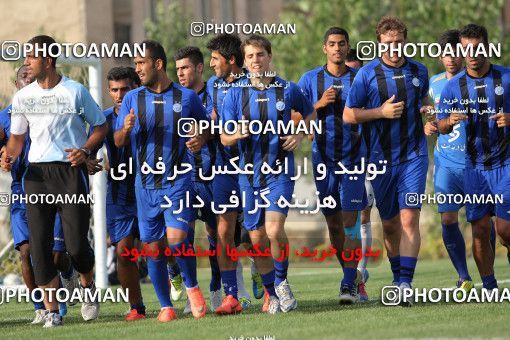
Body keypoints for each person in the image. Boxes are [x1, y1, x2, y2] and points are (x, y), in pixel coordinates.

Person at [1, 35, 108, 326]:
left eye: (32, 57)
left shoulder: (75, 91)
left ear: (48, 60)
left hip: (69, 174)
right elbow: (17, 139)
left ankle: (87, 288)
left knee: (75, 247)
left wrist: (86, 150)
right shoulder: (23, 97)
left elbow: (100, 125)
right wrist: (8, 156)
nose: (26, 63)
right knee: (39, 247)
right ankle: (51, 311)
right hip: (36, 177)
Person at [114, 40, 209, 322]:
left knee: (177, 240)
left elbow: (206, 128)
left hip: (178, 179)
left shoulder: (187, 97)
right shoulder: (133, 99)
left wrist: (199, 138)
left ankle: (191, 286)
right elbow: (119, 141)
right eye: (135, 64)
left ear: (157, 64)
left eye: (141, 63)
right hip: (145, 185)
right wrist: (126, 128)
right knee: (153, 249)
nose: (137, 69)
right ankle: (166, 306)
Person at [221, 34, 315, 314]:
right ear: (244, 61)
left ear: (269, 57)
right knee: (257, 238)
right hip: (248, 175)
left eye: (260, 54)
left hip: (279, 171)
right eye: (250, 56)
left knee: (274, 230)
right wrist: (237, 133)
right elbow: (224, 137)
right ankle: (272, 293)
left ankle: (282, 282)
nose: (256, 60)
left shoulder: (287, 88)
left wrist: (299, 134)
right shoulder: (235, 93)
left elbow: (310, 115)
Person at [344, 17, 432, 305]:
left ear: (404, 41)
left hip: (414, 156)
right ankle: (397, 276)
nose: (394, 48)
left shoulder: (419, 70)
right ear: (379, 43)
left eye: (399, 42)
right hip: (379, 159)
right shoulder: (366, 75)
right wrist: (380, 112)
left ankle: (405, 283)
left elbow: (425, 100)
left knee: (409, 219)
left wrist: (431, 115)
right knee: (391, 225)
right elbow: (349, 114)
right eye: (388, 43)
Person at [437, 24, 510, 291]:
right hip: (474, 169)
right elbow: (440, 125)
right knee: (479, 230)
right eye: (466, 49)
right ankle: (490, 288)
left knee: (504, 230)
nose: (472, 54)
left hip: (505, 165)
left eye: (477, 48)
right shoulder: (453, 88)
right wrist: (449, 121)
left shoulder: (506, 78)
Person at [0, 65, 75, 325]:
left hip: (54, 186)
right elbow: (5, 150)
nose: (27, 81)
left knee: (56, 253)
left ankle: (67, 274)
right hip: (22, 191)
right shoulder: (6, 116)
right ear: (17, 83)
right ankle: (42, 307)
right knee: (26, 251)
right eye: (23, 77)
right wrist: (5, 159)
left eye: (32, 78)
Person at [298, 27, 367, 303]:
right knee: (335, 227)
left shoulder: (360, 79)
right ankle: (352, 277)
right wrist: (319, 103)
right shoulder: (309, 79)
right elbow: (294, 119)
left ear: (347, 47)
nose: (337, 48)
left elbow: (370, 115)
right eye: (332, 44)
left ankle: (348, 283)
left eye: (341, 44)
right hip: (323, 160)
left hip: (353, 159)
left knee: (350, 222)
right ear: (324, 48)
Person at [88, 66, 146, 320]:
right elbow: (91, 147)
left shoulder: (150, 112)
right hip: (120, 192)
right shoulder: (103, 119)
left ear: (135, 88)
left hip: (151, 187)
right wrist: (90, 160)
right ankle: (136, 308)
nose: (119, 94)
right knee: (123, 251)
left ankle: (175, 273)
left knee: (164, 245)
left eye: (124, 89)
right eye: (114, 90)